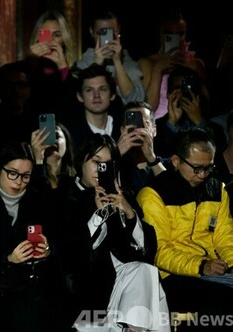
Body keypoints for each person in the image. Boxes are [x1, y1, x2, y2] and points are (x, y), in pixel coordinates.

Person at [61, 134, 168, 332]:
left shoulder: (123, 196)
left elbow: (146, 251)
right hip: (87, 293)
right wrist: (99, 216)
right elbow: (74, 253)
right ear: (81, 161)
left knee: (145, 271)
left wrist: (129, 214)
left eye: (108, 164)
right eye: (96, 162)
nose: (101, 169)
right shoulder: (64, 196)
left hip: (126, 287)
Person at [0, 141, 66, 332]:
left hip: (32, 289)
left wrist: (48, 249)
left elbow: (59, 239)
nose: (18, 181)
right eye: (13, 173)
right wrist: (8, 259)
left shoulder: (37, 200)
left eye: (25, 176)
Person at [137, 128, 233, 331]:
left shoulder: (217, 189)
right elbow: (159, 252)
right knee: (218, 305)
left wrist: (231, 263)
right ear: (175, 161)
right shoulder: (153, 194)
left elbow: (225, 238)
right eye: (197, 168)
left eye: (209, 167)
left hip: (212, 270)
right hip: (172, 276)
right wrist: (201, 265)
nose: (203, 174)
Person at [139, 9, 208, 120]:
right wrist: (158, 70)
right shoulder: (147, 63)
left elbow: (206, 105)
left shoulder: (195, 64)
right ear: (161, 33)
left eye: (180, 34)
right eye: (169, 34)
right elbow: (148, 109)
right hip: (157, 124)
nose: (177, 38)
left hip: (187, 123)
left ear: (186, 33)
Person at [74, 9, 145, 105]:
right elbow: (77, 101)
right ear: (91, 32)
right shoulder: (82, 65)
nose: (107, 39)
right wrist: (97, 65)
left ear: (118, 30)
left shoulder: (129, 64)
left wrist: (117, 61)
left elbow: (137, 101)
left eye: (111, 32)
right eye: (102, 33)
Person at [60, 63, 122, 154]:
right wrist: (118, 151)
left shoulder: (122, 128)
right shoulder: (70, 133)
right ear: (80, 97)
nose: (96, 95)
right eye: (89, 90)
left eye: (102, 89)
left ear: (112, 95)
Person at [28, 120, 76, 191]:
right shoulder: (28, 176)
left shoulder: (76, 179)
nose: (52, 141)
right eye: (46, 137)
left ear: (66, 144)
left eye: (56, 136)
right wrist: (38, 160)